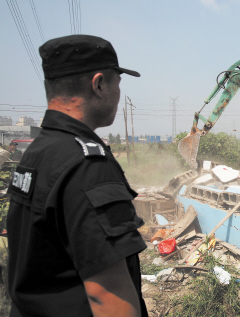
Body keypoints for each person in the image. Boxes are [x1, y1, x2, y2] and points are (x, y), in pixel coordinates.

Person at [7, 35, 147, 317]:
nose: (118, 95)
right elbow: (107, 297)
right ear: (98, 84)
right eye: (117, 84)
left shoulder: (37, 152)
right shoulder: (87, 165)